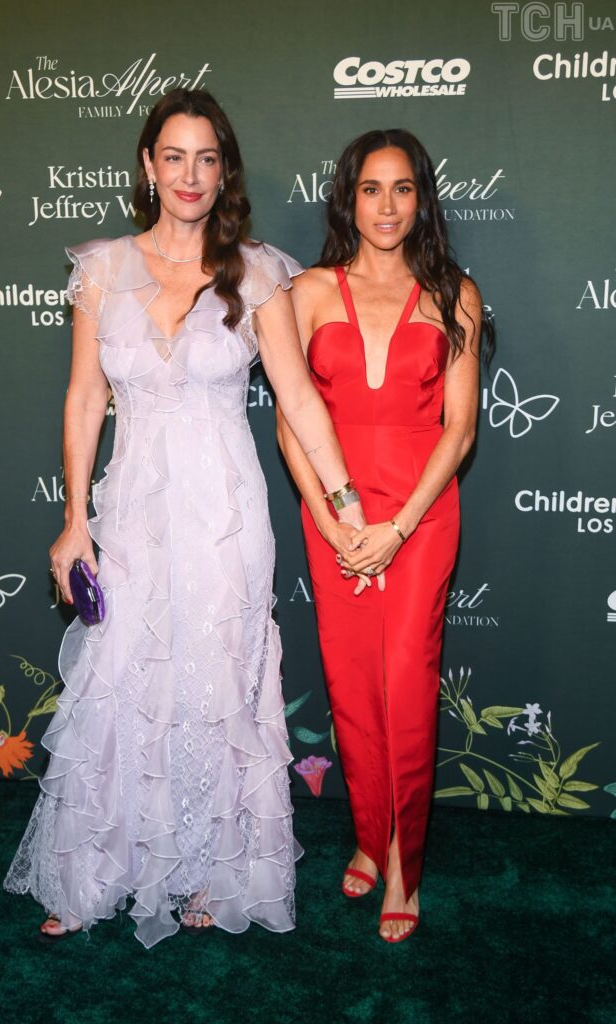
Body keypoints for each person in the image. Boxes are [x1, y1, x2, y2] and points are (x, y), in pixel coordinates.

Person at [3, 89, 365, 947]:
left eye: (207, 158)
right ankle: (96, 872)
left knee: (216, 682)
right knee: (123, 677)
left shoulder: (259, 270)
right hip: (129, 510)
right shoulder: (99, 270)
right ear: (147, 166)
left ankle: (214, 871)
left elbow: (301, 401)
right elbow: (86, 395)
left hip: (225, 513)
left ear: (223, 169)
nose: (190, 175)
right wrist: (71, 520)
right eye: (174, 156)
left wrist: (345, 500)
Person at [277, 129, 491, 943]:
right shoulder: (306, 291)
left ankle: (405, 860)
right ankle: (370, 833)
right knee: (353, 688)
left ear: (421, 200)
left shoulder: (453, 292)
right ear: (348, 197)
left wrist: (397, 526)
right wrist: (334, 521)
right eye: (372, 189)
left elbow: (460, 429)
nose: (387, 206)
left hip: (420, 518)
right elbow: (294, 425)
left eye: (403, 189)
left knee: (405, 684)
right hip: (333, 518)